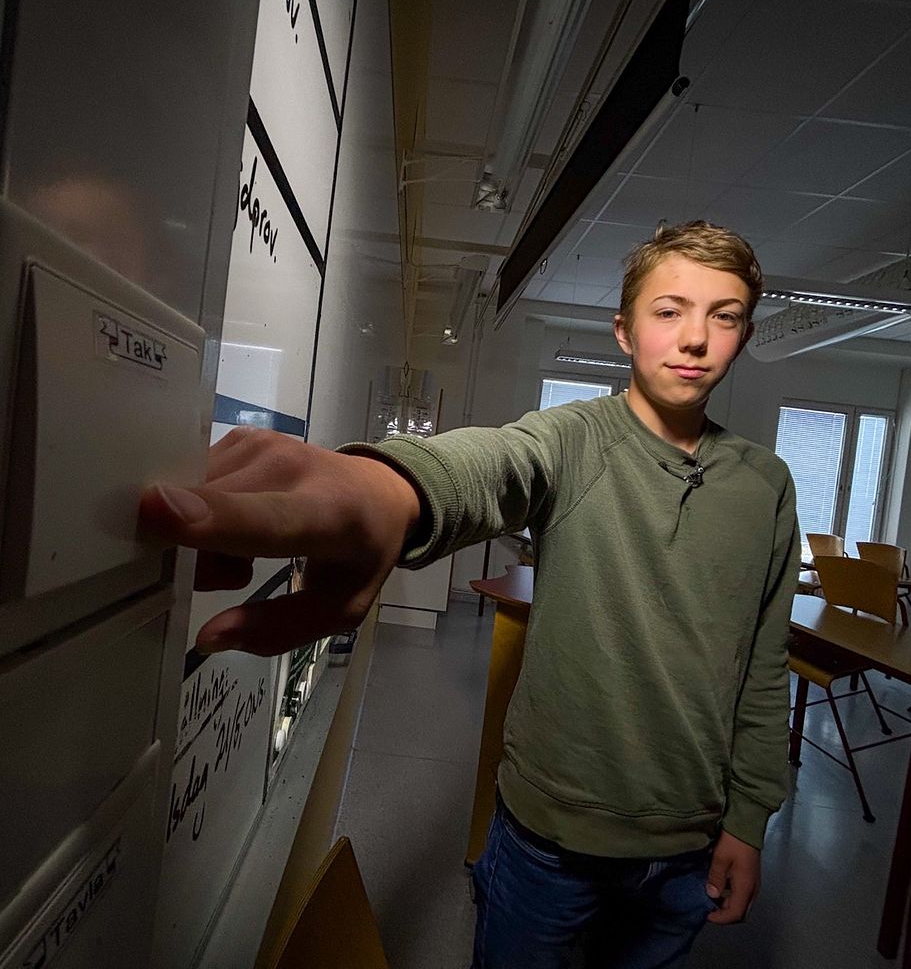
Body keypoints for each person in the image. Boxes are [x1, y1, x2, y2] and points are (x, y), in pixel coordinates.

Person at [140, 220, 799, 969]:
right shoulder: (574, 440)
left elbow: (762, 667)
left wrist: (748, 821)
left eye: (724, 316)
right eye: (669, 311)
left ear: (745, 335)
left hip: (690, 846)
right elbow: (492, 463)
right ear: (624, 330)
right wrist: (388, 488)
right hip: (551, 842)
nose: (696, 338)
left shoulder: (767, 485)